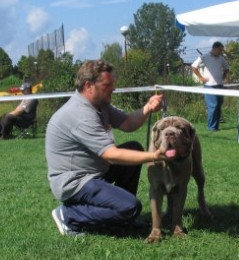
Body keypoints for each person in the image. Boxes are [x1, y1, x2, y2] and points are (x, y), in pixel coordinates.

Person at [45, 60, 168, 236]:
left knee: (134, 147)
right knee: (131, 207)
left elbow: (127, 124)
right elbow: (111, 155)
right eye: (107, 85)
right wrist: (154, 156)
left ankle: (122, 217)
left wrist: (148, 107)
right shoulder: (80, 114)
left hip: (93, 172)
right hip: (74, 183)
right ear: (89, 86)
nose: (113, 88)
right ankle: (69, 215)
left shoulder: (101, 106)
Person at [191, 41, 229, 131]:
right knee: (213, 106)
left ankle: (216, 127)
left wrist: (222, 76)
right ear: (214, 48)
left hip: (219, 85)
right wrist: (201, 78)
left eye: (221, 50)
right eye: (220, 50)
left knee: (218, 105)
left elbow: (227, 68)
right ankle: (211, 127)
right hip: (209, 86)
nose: (221, 52)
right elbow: (193, 66)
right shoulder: (205, 57)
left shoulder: (221, 58)